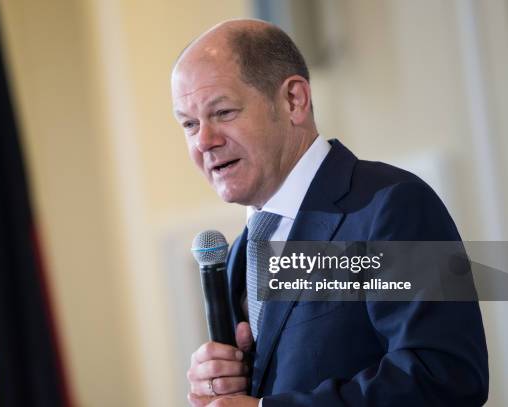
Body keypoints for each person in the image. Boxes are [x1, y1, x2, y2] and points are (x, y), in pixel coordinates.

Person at [171, 19, 488, 407]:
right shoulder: (241, 252)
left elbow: (445, 377)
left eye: (222, 112)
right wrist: (220, 383)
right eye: (189, 124)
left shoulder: (394, 205)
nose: (204, 140)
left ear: (293, 101)